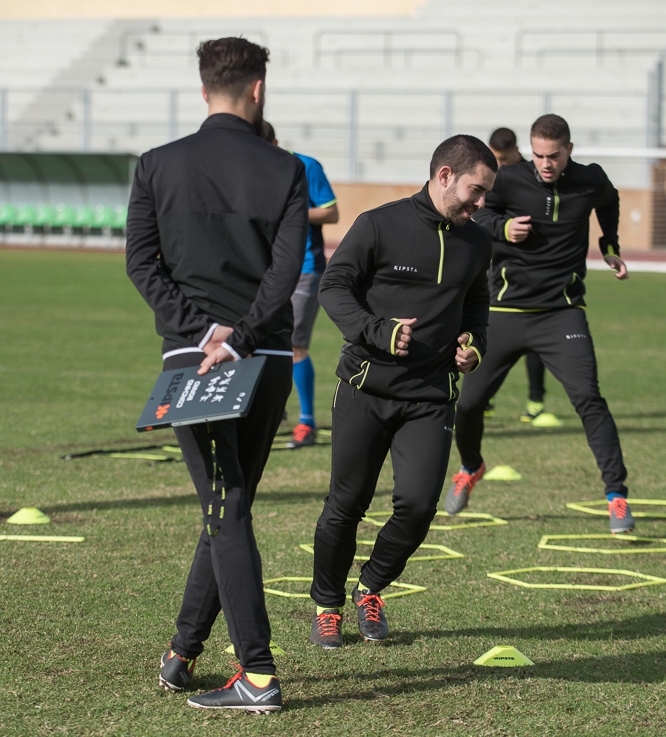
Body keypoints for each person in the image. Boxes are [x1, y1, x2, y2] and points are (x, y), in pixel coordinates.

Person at [125, 37, 307, 712]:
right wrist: (241, 336)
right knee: (227, 506)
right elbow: (287, 273)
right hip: (264, 360)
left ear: (204, 90)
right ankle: (183, 650)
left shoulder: (156, 165)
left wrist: (204, 334)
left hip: (193, 363)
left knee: (224, 507)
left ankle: (257, 674)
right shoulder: (286, 169)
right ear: (258, 89)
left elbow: (141, 266)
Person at [308, 135, 496, 649]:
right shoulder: (378, 224)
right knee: (346, 504)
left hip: (431, 394)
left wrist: (474, 344)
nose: (481, 203)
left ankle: (369, 588)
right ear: (444, 177)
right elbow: (333, 288)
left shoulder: (478, 241)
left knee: (417, 505)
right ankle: (327, 605)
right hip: (365, 388)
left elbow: (477, 303)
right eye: (475, 191)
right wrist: (376, 329)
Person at [445, 114, 634, 535]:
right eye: (539, 154)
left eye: (553, 155)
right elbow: (476, 214)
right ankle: (471, 467)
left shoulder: (590, 179)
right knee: (469, 404)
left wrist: (610, 245)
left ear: (569, 150)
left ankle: (616, 496)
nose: (545, 163)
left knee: (589, 400)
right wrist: (503, 226)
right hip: (505, 312)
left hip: (562, 312)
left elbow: (610, 201)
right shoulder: (508, 179)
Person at [259, 121, 340, 449]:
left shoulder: (306, 166)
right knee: (256, 339)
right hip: (264, 270)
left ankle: (307, 422)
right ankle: (269, 410)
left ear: (275, 142)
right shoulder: (252, 168)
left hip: (304, 269)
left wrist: (291, 211)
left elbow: (331, 213)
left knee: (295, 346)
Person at [487, 127, 547, 423]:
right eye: (495, 158)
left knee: (535, 336)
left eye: (504, 158)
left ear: (515, 152)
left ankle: (535, 401)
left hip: (524, 267)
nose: (499, 164)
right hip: (489, 265)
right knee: (486, 331)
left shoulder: (531, 174)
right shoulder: (485, 174)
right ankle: (486, 398)